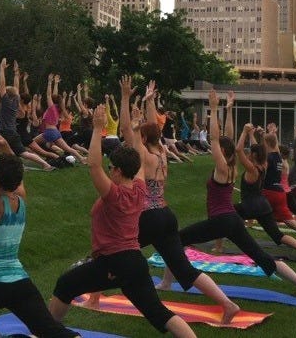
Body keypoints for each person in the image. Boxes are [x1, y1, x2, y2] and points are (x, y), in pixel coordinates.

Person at [48, 103, 196, 337]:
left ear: (117, 170)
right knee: (157, 311)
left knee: (65, 284)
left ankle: (48, 333)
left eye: (111, 168)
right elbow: (136, 157)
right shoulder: (139, 187)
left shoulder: (114, 195)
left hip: (113, 263)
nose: (108, 171)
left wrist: (98, 129)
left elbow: (94, 164)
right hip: (134, 262)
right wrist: (135, 132)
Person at [110, 78, 242, 323]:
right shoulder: (160, 152)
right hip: (166, 215)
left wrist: (126, 97)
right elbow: (153, 129)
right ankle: (227, 303)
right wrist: (149, 102)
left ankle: (95, 295)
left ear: (144, 137)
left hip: (148, 217)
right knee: (185, 270)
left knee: (114, 252)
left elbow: (126, 130)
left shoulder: (144, 155)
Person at [159, 90, 296, 298]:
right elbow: (227, 138)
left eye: (219, 148)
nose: (216, 147)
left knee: (176, 240)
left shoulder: (222, 167)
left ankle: (168, 282)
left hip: (221, 221)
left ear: (223, 151)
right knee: (261, 256)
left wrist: (214, 109)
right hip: (232, 220)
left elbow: (215, 138)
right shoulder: (231, 166)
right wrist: (229, 109)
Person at [0, 142, 78, 337]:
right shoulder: (20, 199)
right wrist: (3, 145)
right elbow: (16, 170)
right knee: (50, 330)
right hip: (20, 283)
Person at [233, 122, 296, 259]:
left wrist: (244, 132)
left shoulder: (252, 169)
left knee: (226, 215)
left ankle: (218, 247)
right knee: (278, 236)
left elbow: (238, 150)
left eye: (250, 153)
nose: (248, 154)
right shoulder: (264, 165)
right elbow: (260, 149)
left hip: (251, 205)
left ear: (253, 156)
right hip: (264, 206)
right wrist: (256, 134)